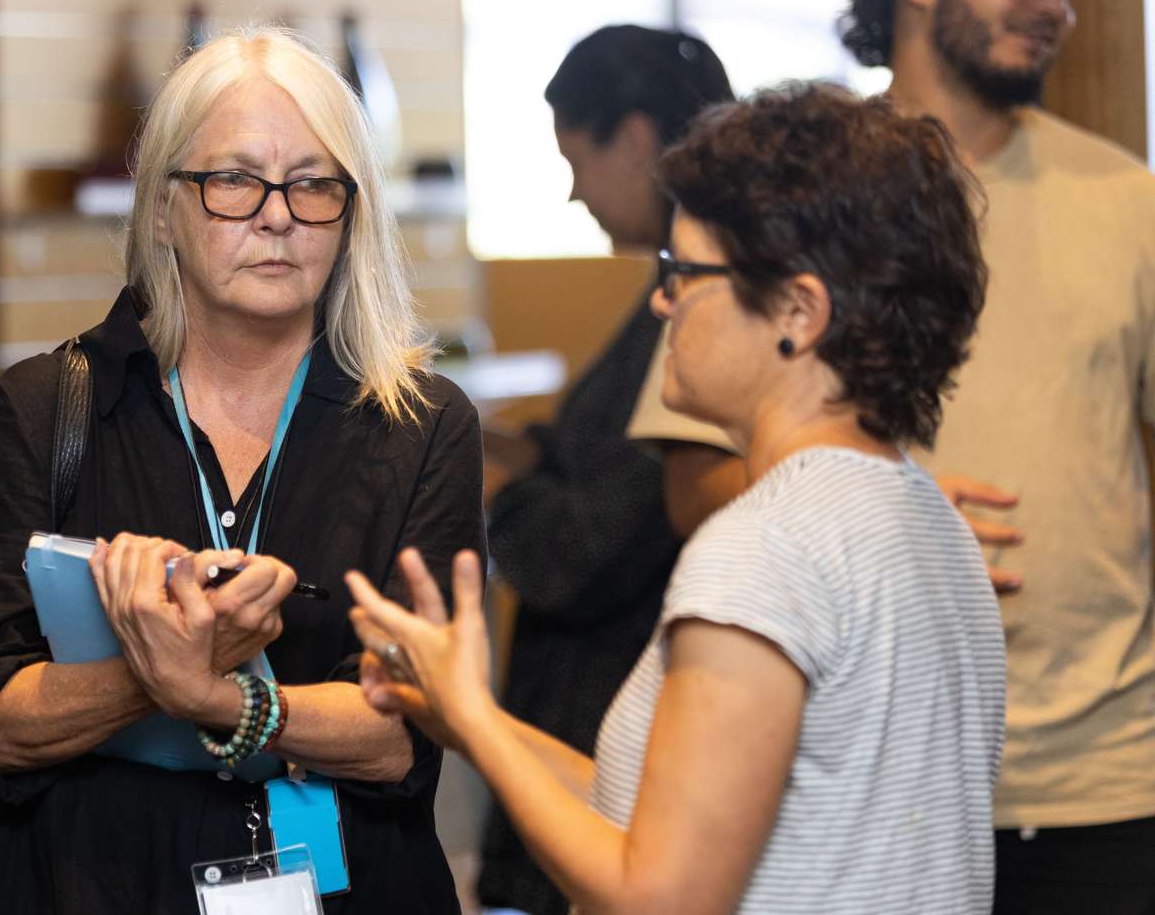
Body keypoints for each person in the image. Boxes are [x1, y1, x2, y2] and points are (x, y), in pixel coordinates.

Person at [626, 0, 1155, 911]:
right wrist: (884, 515)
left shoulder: (1127, 196)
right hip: (863, 769)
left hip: (1107, 778)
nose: (1052, 6)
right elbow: (689, 485)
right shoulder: (794, 191)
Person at [352, 84, 1005, 913]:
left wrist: (477, 722)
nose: (663, 301)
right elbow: (665, 819)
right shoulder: (922, 515)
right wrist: (469, 716)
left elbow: (663, 895)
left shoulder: (764, 547)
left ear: (798, 312)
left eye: (685, 272)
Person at [0, 27, 487, 913]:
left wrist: (217, 698)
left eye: (313, 183)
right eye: (234, 180)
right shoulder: (44, 410)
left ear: (350, 214)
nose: (277, 215)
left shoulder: (421, 426)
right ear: (164, 208)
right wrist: (158, 677)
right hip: (94, 889)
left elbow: (406, 735)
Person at [477, 25, 739, 915]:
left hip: (616, 731)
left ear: (634, 139)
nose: (574, 191)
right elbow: (600, 461)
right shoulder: (676, 289)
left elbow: (593, 541)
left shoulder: (706, 306)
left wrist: (493, 487)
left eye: (576, 161)